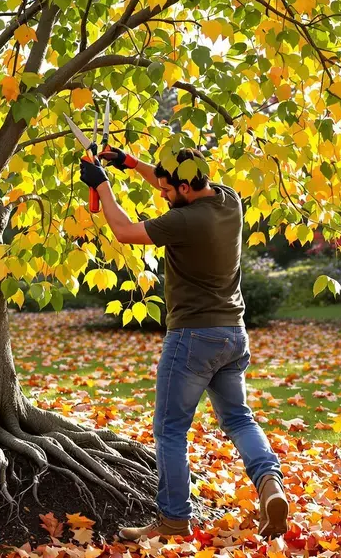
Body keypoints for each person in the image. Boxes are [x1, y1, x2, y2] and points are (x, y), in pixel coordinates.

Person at [79, 144, 289, 541]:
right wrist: (130, 163)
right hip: (233, 334)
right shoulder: (228, 200)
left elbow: (124, 232)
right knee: (239, 418)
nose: (161, 195)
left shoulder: (185, 222)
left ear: (187, 190)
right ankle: (270, 485)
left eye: (167, 191)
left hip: (192, 337)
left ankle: (174, 519)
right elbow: (172, 183)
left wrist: (103, 185)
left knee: (170, 430)